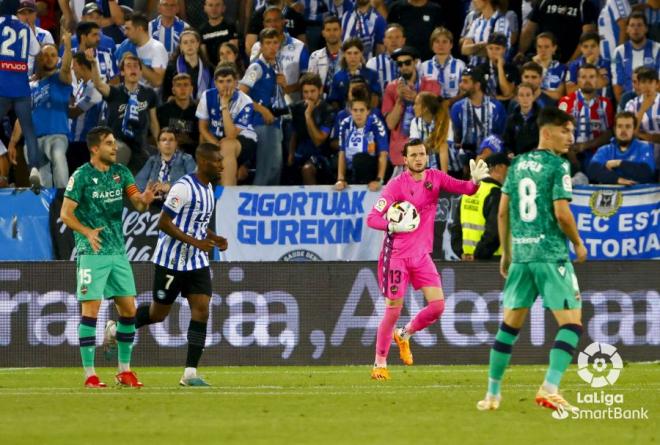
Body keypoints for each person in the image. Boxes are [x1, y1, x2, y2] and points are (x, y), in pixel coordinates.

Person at [476, 107, 588, 413]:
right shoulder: (558, 166)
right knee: (572, 324)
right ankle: (550, 388)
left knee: (509, 327)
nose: (570, 137)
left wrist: (507, 253)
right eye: (565, 131)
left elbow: (503, 212)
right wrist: (578, 243)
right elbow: (563, 214)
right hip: (551, 255)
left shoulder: (518, 164)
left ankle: (492, 395)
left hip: (522, 257)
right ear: (547, 132)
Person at [366, 138, 489, 380]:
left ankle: (404, 333)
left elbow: (464, 188)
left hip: (421, 255)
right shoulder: (395, 186)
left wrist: (474, 182)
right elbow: (372, 218)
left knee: (438, 306)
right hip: (397, 256)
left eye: (422, 154)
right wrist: (393, 225)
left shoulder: (436, 178)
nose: (419, 158)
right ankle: (379, 363)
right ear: (405, 159)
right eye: (413, 155)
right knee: (393, 308)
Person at [108, 142, 224, 387]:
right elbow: (163, 223)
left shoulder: (209, 187)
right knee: (157, 314)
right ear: (203, 163)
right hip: (170, 261)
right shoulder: (183, 188)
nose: (222, 166)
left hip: (196, 262)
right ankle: (117, 328)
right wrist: (196, 241)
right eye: (217, 161)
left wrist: (213, 238)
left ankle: (190, 373)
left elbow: (196, 222)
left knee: (202, 309)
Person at [60, 126, 157, 388]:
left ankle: (124, 371)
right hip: (92, 253)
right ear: (95, 148)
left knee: (129, 310)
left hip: (118, 251)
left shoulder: (121, 173)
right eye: (109, 144)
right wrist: (86, 231)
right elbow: (66, 214)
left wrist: (145, 199)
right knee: (91, 310)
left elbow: (136, 203)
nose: (115, 148)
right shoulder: (81, 176)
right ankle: (90, 374)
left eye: (115, 143)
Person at [7, 39, 73, 189]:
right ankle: (48, 208)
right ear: (39, 58)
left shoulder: (61, 78)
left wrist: (67, 46)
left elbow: (67, 68)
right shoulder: (29, 86)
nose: (49, 58)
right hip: (34, 141)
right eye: (45, 55)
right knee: (42, 183)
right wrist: (12, 142)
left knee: (58, 156)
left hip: (57, 135)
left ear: (58, 59)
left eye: (53, 55)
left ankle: (63, 196)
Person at [92, 52, 160, 173]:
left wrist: (159, 142)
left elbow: (154, 122)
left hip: (139, 146)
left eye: (136, 66)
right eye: (128, 66)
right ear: (122, 72)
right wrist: (93, 63)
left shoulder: (149, 93)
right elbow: (98, 84)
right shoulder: (114, 92)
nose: (133, 69)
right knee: (121, 152)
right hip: (116, 143)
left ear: (140, 71)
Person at [382, 46, 440, 176]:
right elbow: (390, 124)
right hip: (401, 151)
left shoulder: (431, 84)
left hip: (428, 149)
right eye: (400, 64)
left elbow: (436, 114)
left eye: (407, 62)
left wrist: (416, 97)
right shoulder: (391, 88)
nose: (404, 67)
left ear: (415, 62)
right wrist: (399, 100)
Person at [0, 12, 42, 189]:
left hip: (2, 86)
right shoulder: (25, 27)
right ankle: (34, 169)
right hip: (21, 86)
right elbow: (37, 51)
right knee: (29, 130)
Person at [240, 28, 286, 186]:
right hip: (261, 123)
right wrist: (262, 109)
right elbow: (240, 94)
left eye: (275, 43)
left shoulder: (275, 66)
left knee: (274, 169)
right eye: (268, 43)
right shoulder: (256, 67)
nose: (272, 47)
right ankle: (257, 208)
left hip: (275, 122)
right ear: (261, 46)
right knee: (267, 169)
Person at [199, 63, 257, 186]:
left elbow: (231, 135)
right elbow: (202, 127)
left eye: (229, 81)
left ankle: (227, 194)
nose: (225, 85)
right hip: (217, 139)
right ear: (215, 83)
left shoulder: (245, 101)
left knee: (227, 145)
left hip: (243, 141)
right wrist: (215, 145)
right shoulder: (207, 96)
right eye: (221, 81)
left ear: (236, 82)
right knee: (204, 141)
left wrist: (224, 105)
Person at [451, 152, 509, 261]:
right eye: (507, 167)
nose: (508, 172)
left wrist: (461, 253)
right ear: (498, 168)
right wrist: (478, 254)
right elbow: (494, 231)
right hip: (491, 259)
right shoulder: (496, 193)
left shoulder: (468, 192)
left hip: (467, 260)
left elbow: (455, 228)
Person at [558, 64, 615, 173]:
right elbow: (560, 131)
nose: (587, 81)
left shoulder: (606, 103)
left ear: (597, 80)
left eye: (591, 77)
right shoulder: (565, 102)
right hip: (569, 153)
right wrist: (570, 153)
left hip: (597, 155)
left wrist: (585, 146)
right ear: (578, 80)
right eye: (583, 77)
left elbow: (609, 134)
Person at [450, 67, 507, 168]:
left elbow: (501, 136)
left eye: (465, 82)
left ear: (477, 85)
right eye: (461, 81)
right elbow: (456, 136)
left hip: (491, 161)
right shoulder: (457, 108)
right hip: (465, 161)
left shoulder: (496, 107)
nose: (461, 85)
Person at [335, 89, 389, 192]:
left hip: (372, 165)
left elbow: (383, 154)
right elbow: (342, 152)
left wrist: (379, 180)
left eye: (362, 110)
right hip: (352, 166)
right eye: (355, 110)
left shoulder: (376, 124)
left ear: (368, 111)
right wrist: (340, 179)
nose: (358, 114)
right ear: (350, 111)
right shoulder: (345, 124)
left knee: (360, 159)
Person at [288, 72, 335, 184]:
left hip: (321, 156)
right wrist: (291, 154)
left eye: (313, 91)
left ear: (320, 90)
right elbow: (294, 133)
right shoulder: (296, 108)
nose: (309, 96)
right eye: (305, 92)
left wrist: (308, 116)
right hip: (301, 153)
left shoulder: (328, 111)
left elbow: (318, 140)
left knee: (307, 169)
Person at [516, 0, 598, 64]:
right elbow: (529, 31)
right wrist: (521, 52)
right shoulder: (543, 2)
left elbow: (588, 36)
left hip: (568, 58)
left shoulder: (583, 4)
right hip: (542, 59)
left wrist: (571, 62)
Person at [587, 111, 656, 185]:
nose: (623, 130)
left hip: (639, 195)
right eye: (620, 126)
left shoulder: (644, 147)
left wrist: (618, 163)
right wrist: (616, 179)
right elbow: (592, 170)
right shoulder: (605, 150)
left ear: (634, 130)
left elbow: (646, 173)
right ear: (615, 129)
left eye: (628, 126)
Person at [611, 12, 660, 103]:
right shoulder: (618, 52)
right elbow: (617, 84)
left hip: (654, 101)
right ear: (627, 29)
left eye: (639, 25)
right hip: (628, 101)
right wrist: (626, 107)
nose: (635, 29)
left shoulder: (658, 49)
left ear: (646, 29)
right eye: (632, 25)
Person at [68, 51, 104, 173]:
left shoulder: (94, 89)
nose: (73, 68)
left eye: (74, 65)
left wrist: (55, 104)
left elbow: (74, 112)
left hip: (85, 145)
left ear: (82, 65)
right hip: (75, 142)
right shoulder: (82, 86)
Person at [115, 13, 169, 90]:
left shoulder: (157, 48)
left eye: (128, 29)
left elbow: (157, 82)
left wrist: (136, 62)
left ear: (139, 29)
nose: (125, 33)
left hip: (152, 99)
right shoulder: (125, 45)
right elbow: (116, 75)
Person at [135, 127, 196, 194]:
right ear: (158, 144)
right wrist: (151, 187)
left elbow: (195, 183)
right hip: (154, 199)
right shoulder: (152, 160)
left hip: (177, 200)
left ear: (176, 143)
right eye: (164, 140)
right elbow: (138, 180)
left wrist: (170, 186)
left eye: (171, 140)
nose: (167, 143)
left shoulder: (187, 159)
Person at [327, 37, 381, 110]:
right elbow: (334, 101)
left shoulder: (372, 74)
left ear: (361, 53)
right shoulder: (338, 77)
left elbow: (375, 98)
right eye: (349, 53)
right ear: (344, 54)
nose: (352, 57)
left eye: (356, 53)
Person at [162, 29, 212, 102]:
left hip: (204, 108)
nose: (189, 45)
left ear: (198, 44)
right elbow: (166, 95)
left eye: (192, 41)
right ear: (181, 46)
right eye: (185, 42)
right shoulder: (172, 68)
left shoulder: (208, 67)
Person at [157, 73, 200, 157]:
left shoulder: (199, 112)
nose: (182, 89)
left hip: (192, 154)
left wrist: (189, 140)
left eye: (186, 85)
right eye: (179, 85)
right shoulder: (162, 111)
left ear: (191, 89)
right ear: (173, 90)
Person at [420, 27, 466, 103]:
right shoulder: (423, 66)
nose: (440, 45)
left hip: (453, 105)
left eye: (444, 42)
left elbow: (464, 91)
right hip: (430, 106)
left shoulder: (460, 65)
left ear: (451, 45)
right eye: (437, 41)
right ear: (432, 45)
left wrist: (449, 103)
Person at [625, 66, 660, 165]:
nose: (647, 86)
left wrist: (641, 135)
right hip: (640, 157)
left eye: (650, 82)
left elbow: (635, 133)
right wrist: (642, 109)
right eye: (644, 82)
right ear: (639, 84)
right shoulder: (631, 104)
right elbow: (628, 134)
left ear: (657, 84)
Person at [410, 91, 451, 172]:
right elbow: (415, 148)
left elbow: (445, 148)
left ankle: (444, 180)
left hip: (449, 167)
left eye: (416, 104)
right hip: (425, 167)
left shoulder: (446, 122)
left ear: (425, 108)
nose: (413, 107)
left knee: (443, 145)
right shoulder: (415, 122)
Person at [461, 0, 511, 66]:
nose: (473, 1)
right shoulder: (476, 22)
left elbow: (496, 52)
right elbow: (464, 50)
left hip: (493, 71)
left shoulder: (501, 22)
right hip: (474, 70)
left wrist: (473, 49)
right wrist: (482, 45)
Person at [477, 32, 519, 104]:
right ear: (486, 49)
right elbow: (478, 94)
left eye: (497, 49)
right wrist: (497, 98)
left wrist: (500, 67)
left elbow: (507, 93)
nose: (493, 52)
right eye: (490, 48)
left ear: (504, 50)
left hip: (506, 107)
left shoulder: (512, 69)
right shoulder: (480, 69)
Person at [565, 32, 611, 97]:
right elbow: (569, 91)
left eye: (593, 46)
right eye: (585, 47)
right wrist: (592, 67)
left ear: (598, 47)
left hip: (602, 103)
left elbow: (600, 84)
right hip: (580, 103)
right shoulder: (573, 65)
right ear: (581, 48)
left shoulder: (607, 63)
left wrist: (581, 81)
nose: (589, 49)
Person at [308, 15, 343, 96]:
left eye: (335, 30)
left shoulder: (349, 54)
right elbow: (311, 83)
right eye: (328, 30)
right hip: (322, 100)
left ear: (341, 31)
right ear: (323, 33)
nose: (332, 33)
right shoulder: (315, 56)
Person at [503, 82, 540, 156]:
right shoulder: (512, 119)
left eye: (528, 95)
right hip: (517, 159)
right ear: (517, 98)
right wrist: (509, 152)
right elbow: (507, 142)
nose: (525, 98)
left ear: (533, 97)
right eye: (521, 95)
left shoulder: (541, 118)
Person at [366, 23, 405, 94]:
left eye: (397, 37)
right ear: (384, 41)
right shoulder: (373, 63)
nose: (393, 41)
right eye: (390, 37)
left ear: (403, 40)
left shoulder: (413, 62)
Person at [199, 0, 239, 67]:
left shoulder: (230, 26)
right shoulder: (202, 30)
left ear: (223, 8)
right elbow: (204, 56)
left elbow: (233, 50)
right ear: (205, 8)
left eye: (217, 5)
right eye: (210, 5)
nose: (214, 9)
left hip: (229, 66)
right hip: (211, 70)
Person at [532, 32, 566, 102]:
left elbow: (559, 95)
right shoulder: (529, 67)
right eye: (539, 46)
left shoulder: (562, 68)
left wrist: (540, 92)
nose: (543, 50)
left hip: (553, 108)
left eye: (546, 47)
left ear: (554, 48)